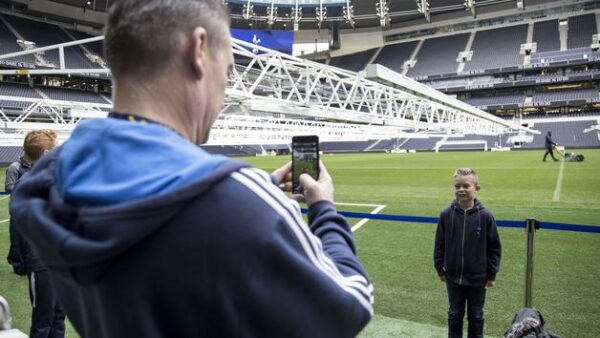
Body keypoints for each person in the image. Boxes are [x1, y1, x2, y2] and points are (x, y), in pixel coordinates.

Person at [9, 1, 373, 337]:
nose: (225, 87)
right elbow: (350, 305)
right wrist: (323, 208)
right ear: (198, 50)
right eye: (228, 69)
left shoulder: (50, 179)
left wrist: (248, 192)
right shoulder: (240, 204)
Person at [5, 130, 65, 338]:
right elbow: (18, 226)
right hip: (42, 263)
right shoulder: (29, 184)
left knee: (58, 316)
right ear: (47, 153)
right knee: (44, 320)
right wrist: (19, 261)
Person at [434, 168, 501, 338]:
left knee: (476, 316)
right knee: (454, 314)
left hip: (478, 278)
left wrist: (492, 274)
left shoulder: (485, 216)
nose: (461, 190)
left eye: (466, 185)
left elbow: (494, 247)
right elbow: (439, 244)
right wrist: (440, 269)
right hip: (453, 277)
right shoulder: (446, 215)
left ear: (477, 188)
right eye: (457, 186)